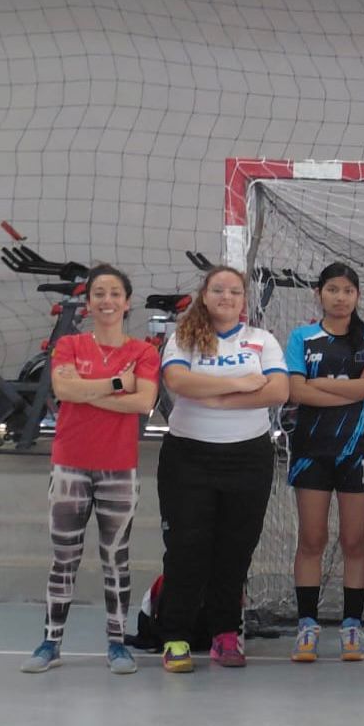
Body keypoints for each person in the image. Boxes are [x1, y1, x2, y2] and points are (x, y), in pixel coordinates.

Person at [20, 264, 160, 675]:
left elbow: (143, 404)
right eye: (99, 293)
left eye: (115, 293)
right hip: (70, 463)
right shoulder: (69, 345)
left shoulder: (143, 352)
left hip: (119, 466)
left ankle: (117, 644)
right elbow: (64, 391)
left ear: (127, 301)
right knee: (64, 558)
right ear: (88, 301)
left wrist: (89, 391)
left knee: (116, 558)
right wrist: (118, 383)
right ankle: (51, 642)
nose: (107, 300)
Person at [156, 265, 289, 672]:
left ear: (244, 299)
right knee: (186, 549)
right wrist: (244, 384)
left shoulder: (261, 340)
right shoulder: (183, 337)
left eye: (234, 291)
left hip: (247, 459)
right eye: (218, 290)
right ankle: (175, 637)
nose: (226, 297)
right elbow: (179, 381)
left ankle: (225, 635)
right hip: (188, 458)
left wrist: (215, 398)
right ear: (205, 294)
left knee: (234, 551)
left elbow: (279, 391)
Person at [284, 263, 364, 662]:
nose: (340, 297)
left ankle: (352, 625)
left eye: (347, 290)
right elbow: (295, 391)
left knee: (353, 540)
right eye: (332, 289)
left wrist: (320, 385)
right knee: (312, 539)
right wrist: (351, 388)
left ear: (357, 296)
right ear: (319, 294)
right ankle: (307, 625)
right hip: (312, 449)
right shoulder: (302, 337)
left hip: (358, 450)